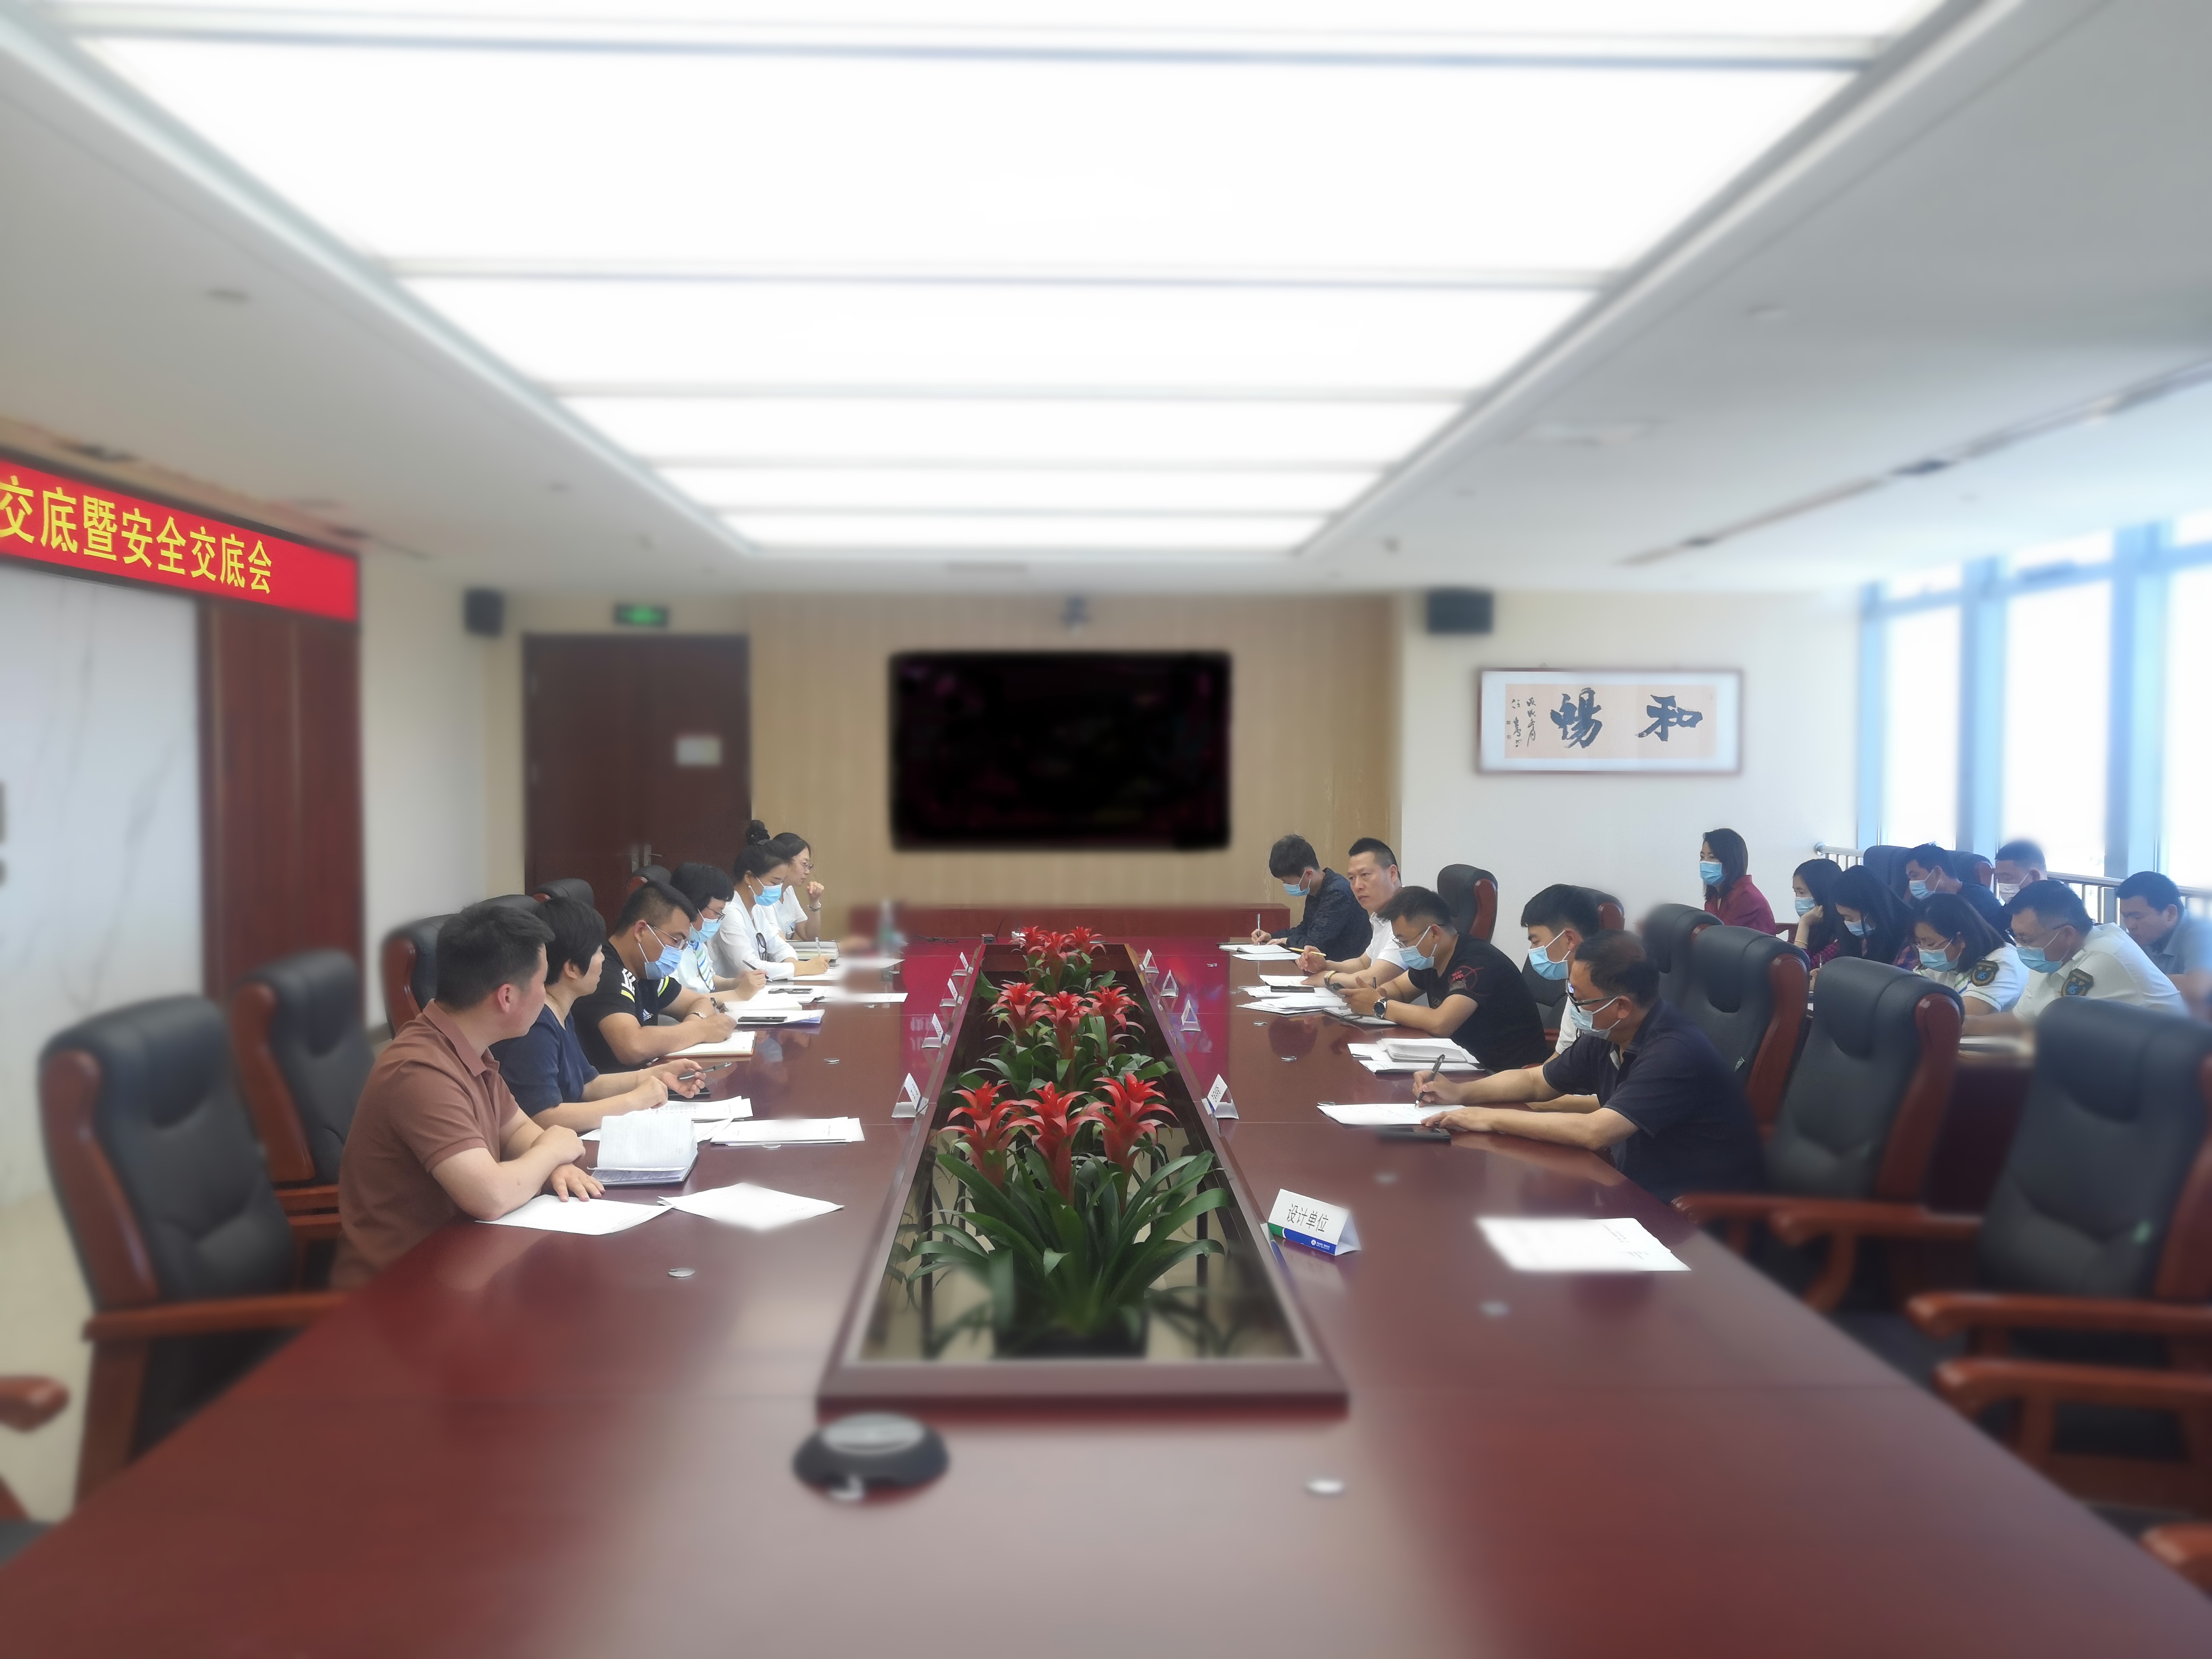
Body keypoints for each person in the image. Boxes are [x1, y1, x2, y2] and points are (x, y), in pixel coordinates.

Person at [334, 901, 604, 1287]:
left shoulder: (470, 1046)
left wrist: (551, 1164)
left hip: (465, 1264)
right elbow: (490, 1197)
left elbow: (517, 1132)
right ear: (506, 997)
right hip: (400, 1290)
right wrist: (552, 1152)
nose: (546, 994)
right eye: (542, 983)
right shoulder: (419, 1071)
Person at [1416, 929, 1764, 1202]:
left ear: (1622, 1006)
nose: (1573, 1006)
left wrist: (1487, 1118)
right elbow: (1537, 1083)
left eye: (1579, 999)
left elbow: (1595, 1132)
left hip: (1687, 1215)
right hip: (1630, 1185)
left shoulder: (1674, 1052)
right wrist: (1460, 1093)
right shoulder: (1610, 1032)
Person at [491, 896, 713, 1130]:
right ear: (572, 968)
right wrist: (634, 1101)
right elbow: (542, 1117)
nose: (604, 959)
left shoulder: (561, 1012)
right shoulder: (535, 1026)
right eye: (598, 952)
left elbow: (589, 1085)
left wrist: (657, 1075)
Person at [1342, 886, 1551, 1070]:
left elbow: (1441, 1023)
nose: (1403, 949)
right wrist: (1375, 994)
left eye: (1404, 942)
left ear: (1434, 933)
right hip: (1466, 1062)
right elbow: (1400, 988)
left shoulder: (1477, 964)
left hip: (1507, 1073)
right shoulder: (1433, 957)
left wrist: (1380, 1005)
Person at [1966, 879, 2181, 1035]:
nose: (2021, 947)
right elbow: (2022, 1021)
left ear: (2067, 934)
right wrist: (1965, 1024)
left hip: (2163, 1071)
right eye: (2016, 937)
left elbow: (2060, 1036)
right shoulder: (2051, 959)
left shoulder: (2106, 957)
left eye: (2026, 938)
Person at [572, 877, 740, 1071]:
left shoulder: (646, 971)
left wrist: (693, 1025)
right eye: (676, 941)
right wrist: (701, 1030)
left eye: (684, 945)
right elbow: (633, 1046)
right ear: (641, 931)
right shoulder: (604, 973)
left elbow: (699, 1002)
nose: (678, 951)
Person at [716, 843, 833, 983]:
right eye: (774, 882)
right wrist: (800, 968)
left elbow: (779, 945)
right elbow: (749, 966)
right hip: (733, 992)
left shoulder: (756, 909)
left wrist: (793, 963)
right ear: (749, 877)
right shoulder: (730, 912)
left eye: (781, 883)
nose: (778, 889)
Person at [1298, 837, 1405, 987]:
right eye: (1352, 878)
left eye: (1365, 875)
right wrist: (1326, 965)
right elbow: (1363, 964)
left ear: (1392, 874)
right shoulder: (1382, 915)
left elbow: (1373, 979)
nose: (1357, 886)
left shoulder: (1408, 916)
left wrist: (1328, 978)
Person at [1253, 833, 1370, 962]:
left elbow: (1315, 943)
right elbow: (1305, 929)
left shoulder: (1338, 893)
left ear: (1308, 874)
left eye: (1287, 882)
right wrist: (1272, 937)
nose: (1286, 886)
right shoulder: (1316, 890)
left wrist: (1287, 941)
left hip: (1346, 967)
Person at [1519, 884, 1603, 1055]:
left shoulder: (1606, 994)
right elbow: (1560, 1060)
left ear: (1570, 939)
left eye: (1535, 942)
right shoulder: (1574, 987)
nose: (1532, 951)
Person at [2115, 871, 2211, 1020]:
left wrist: (2138, 980)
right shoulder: (2145, 936)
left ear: (2171, 913)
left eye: (2137, 917)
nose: (2130, 925)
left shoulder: (2203, 933)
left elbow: (2198, 988)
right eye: (2126, 916)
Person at [1912, 891, 2027, 1015]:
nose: (1924, 950)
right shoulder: (1947, 961)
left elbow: (1962, 1017)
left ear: (1961, 939)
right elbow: (1907, 992)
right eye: (1918, 943)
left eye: (1930, 944)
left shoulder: (2001, 963)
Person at [668, 861, 769, 1000]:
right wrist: (737, 995)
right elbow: (678, 1001)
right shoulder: (668, 949)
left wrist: (735, 983)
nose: (719, 919)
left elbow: (708, 980)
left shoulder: (696, 942)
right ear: (693, 906)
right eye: (717, 912)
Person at [1903, 843, 2009, 935]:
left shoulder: (1978, 899)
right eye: (1910, 878)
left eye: (1915, 875)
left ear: (1937, 873)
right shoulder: (1928, 902)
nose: (1912, 883)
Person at [1830, 864, 1914, 968]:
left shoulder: (1911, 936)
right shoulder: (1865, 936)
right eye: (1844, 918)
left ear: (1871, 908)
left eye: (1850, 918)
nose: (1846, 923)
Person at [1699, 827, 1776, 933]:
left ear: (1731, 861)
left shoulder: (1747, 897)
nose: (1705, 862)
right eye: (1702, 857)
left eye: (1712, 857)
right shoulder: (1715, 896)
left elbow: (1723, 936)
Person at [1790, 857, 1847, 969]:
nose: (1798, 898)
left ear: (1822, 894)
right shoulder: (1815, 925)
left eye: (1802, 892)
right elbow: (1785, 957)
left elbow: (1797, 970)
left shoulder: (1842, 935)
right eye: (1795, 892)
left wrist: (1804, 924)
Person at [1992, 839, 2047, 906]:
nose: (2002, 885)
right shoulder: (2009, 910)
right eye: (1999, 879)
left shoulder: (2056, 910)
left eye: (2007, 878)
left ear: (2034, 877)